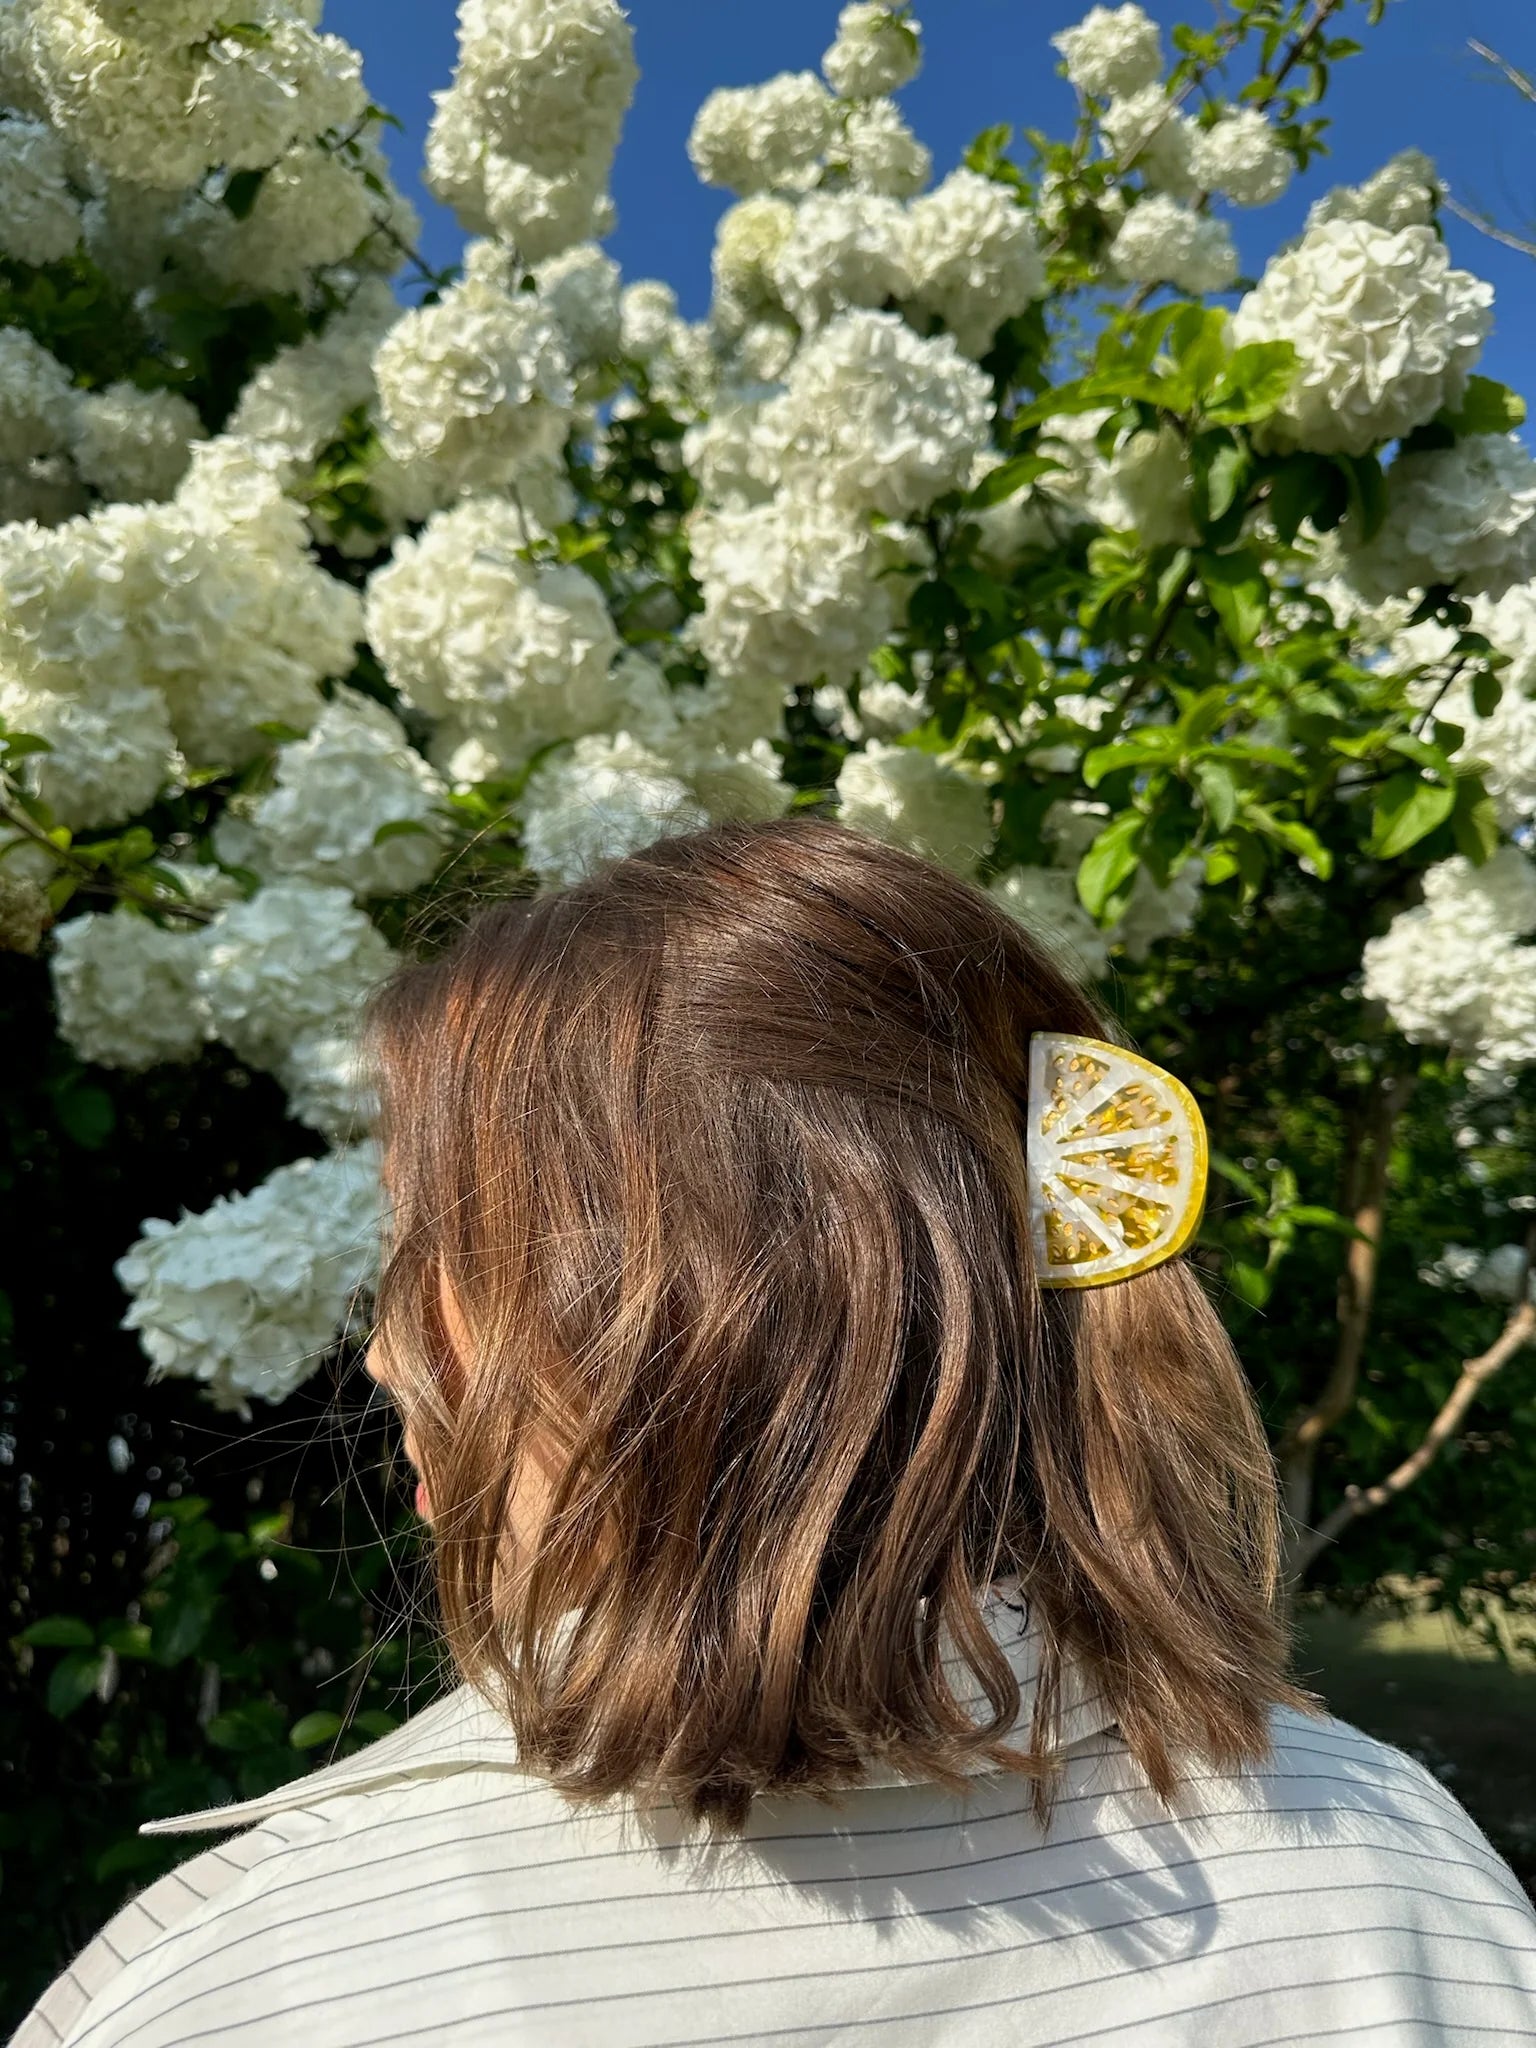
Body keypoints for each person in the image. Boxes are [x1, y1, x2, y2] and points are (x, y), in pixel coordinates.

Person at [19, 816, 1536, 2048]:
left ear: (663, 1324)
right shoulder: (1393, 1875)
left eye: (438, 1260)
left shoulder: (268, 1979)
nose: (388, 1348)